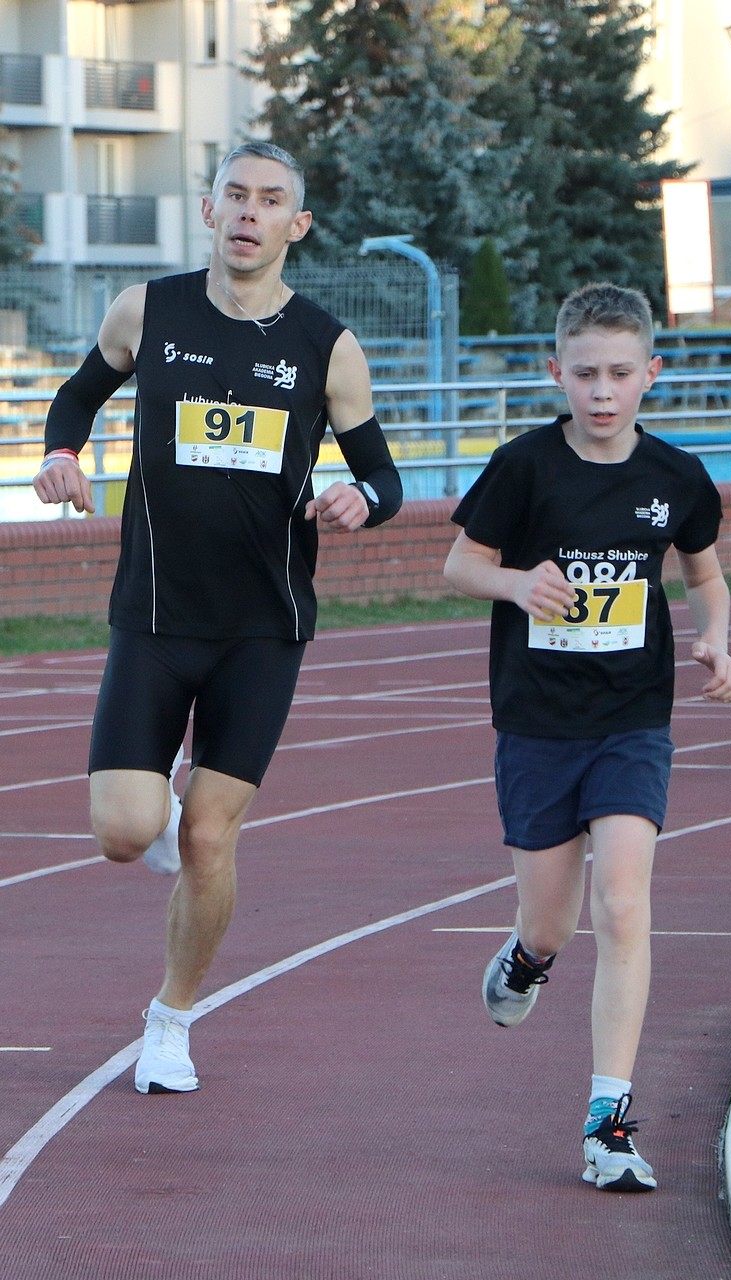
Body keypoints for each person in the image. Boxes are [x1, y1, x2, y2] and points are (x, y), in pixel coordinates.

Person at [33, 141, 403, 1095]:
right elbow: (77, 395)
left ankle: (171, 1021)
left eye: (270, 199)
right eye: (235, 195)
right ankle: (155, 808)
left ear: (296, 225)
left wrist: (361, 498)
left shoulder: (326, 345)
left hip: (261, 630)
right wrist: (63, 454)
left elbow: (383, 474)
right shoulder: (147, 310)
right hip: (155, 616)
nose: (249, 212)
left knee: (209, 838)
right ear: (209, 209)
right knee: (125, 832)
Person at [443, 281, 731, 1192]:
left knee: (621, 902)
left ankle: (606, 1124)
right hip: (537, 722)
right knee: (554, 921)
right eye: (584, 374)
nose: (602, 391)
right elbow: (460, 564)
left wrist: (715, 638)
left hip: (631, 719)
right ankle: (527, 957)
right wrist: (516, 583)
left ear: (652, 372)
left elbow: (704, 577)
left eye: (619, 372)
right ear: (555, 373)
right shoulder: (523, 467)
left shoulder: (676, 477)